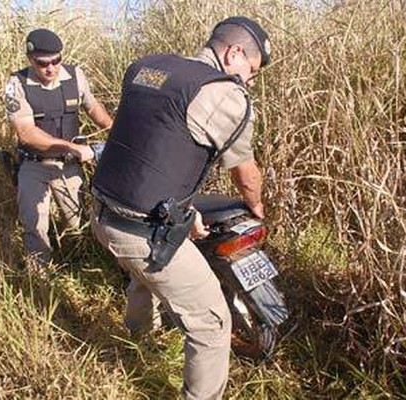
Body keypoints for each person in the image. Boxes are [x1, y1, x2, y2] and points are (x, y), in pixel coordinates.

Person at [89, 16, 271, 399]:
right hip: (141, 232)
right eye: (251, 71)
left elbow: (155, 149)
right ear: (234, 52)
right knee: (211, 323)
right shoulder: (224, 94)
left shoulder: (148, 67)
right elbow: (245, 173)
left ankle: (138, 338)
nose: (250, 81)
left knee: (147, 274)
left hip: (104, 211)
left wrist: (186, 211)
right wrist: (257, 207)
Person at [4, 28, 113, 268]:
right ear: (30, 59)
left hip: (69, 167)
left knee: (77, 224)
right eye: (43, 63)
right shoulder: (17, 84)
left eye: (56, 60)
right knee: (35, 227)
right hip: (35, 165)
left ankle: (76, 267)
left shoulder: (75, 76)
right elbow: (25, 133)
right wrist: (71, 147)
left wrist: (114, 129)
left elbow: (93, 107)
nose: (51, 68)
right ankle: (41, 280)